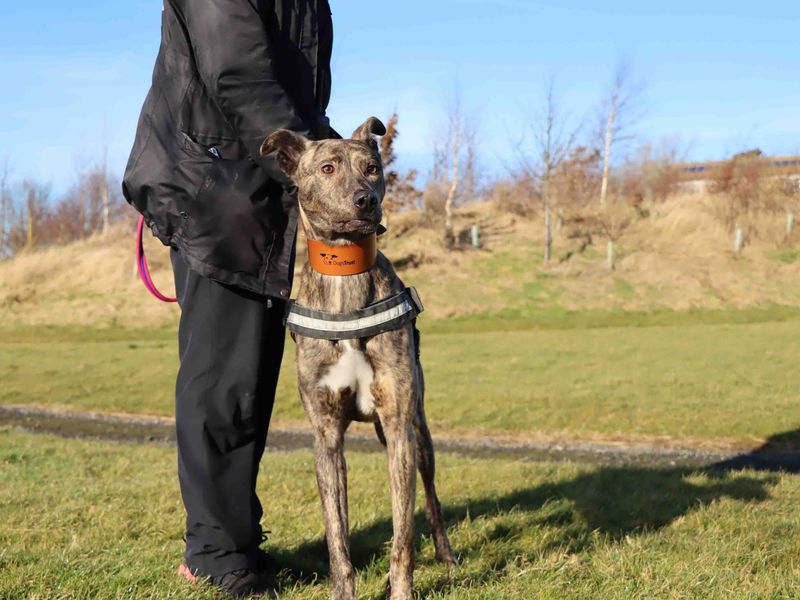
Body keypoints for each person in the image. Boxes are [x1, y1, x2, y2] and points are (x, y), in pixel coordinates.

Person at [122, 1, 335, 597]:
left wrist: (333, 157)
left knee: (250, 376)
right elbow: (237, 73)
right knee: (222, 376)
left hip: (258, 189)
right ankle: (215, 555)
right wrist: (320, 166)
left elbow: (298, 86)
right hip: (211, 186)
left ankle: (237, 541)